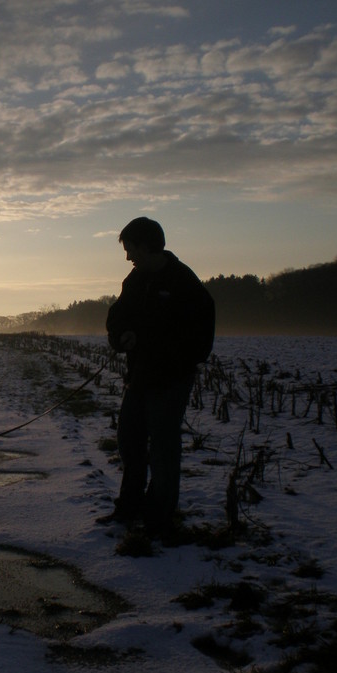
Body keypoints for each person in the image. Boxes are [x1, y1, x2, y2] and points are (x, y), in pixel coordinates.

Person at [104, 217, 215, 538]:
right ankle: (129, 507)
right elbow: (118, 316)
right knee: (129, 441)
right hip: (139, 377)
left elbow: (199, 337)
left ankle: (159, 519)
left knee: (164, 449)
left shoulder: (184, 283)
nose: (128, 257)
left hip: (170, 380)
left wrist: (164, 353)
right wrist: (121, 335)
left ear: (146, 245)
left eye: (130, 249)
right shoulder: (136, 281)